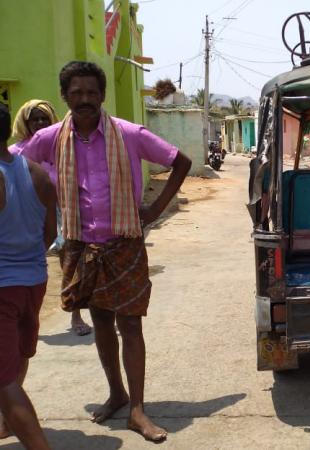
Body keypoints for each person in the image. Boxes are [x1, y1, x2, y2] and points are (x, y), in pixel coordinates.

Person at [20, 61, 192, 442]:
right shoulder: (49, 138)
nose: (85, 99)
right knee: (100, 322)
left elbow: (180, 161)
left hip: (124, 243)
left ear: (102, 95)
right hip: (81, 245)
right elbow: (14, 159)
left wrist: (156, 208)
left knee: (130, 324)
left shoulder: (129, 134)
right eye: (76, 93)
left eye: (91, 92)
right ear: (65, 97)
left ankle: (137, 410)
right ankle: (116, 392)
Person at [9, 99, 92, 337]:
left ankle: (75, 314)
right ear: (25, 122)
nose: (40, 123)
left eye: (44, 118)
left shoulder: (63, 148)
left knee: (71, 262)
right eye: (34, 118)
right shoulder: (17, 152)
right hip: (27, 214)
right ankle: (28, 319)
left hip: (61, 211)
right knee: (30, 266)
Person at [0, 102, 55, 449]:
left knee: (3, 380)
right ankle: (7, 422)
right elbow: (49, 234)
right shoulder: (36, 171)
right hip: (34, 280)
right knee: (16, 359)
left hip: (2, 287)